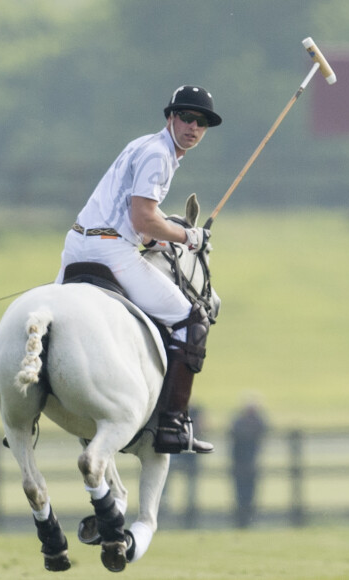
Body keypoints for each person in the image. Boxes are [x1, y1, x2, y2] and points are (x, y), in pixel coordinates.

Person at [55, 85, 223, 454]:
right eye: (188, 118)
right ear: (171, 117)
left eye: (203, 123)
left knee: (51, 321)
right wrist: (186, 236)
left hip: (77, 244)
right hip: (111, 253)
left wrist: (157, 237)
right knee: (192, 321)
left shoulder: (142, 145)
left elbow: (136, 217)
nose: (194, 127)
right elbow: (143, 219)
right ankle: (173, 424)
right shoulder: (159, 156)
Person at [228, 396, 269, 527]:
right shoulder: (240, 422)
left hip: (249, 465)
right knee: (240, 494)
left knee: (250, 494)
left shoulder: (244, 422)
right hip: (241, 465)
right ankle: (242, 520)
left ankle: (247, 519)